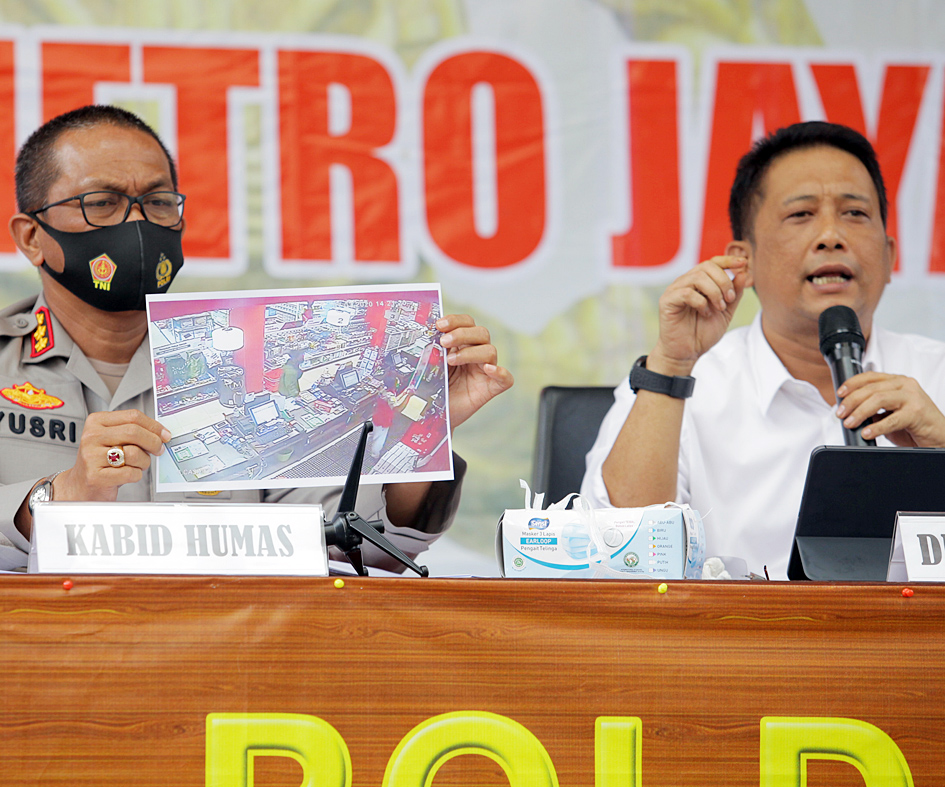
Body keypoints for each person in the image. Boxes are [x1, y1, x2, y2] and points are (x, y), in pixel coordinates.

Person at [0, 104, 513, 571]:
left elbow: (361, 543)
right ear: (31, 236)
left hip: (220, 657)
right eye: (102, 203)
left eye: (157, 202)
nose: (137, 223)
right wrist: (54, 499)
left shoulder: (221, 364)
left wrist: (421, 422)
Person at [582, 121, 945, 579]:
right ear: (743, 260)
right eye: (801, 215)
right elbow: (617, 561)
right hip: (730, 645)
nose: (831, 236)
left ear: (891, 256)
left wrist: (942, 448)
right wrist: (672, 366)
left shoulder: (937, 376)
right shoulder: (680, 387)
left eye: (855, 214)